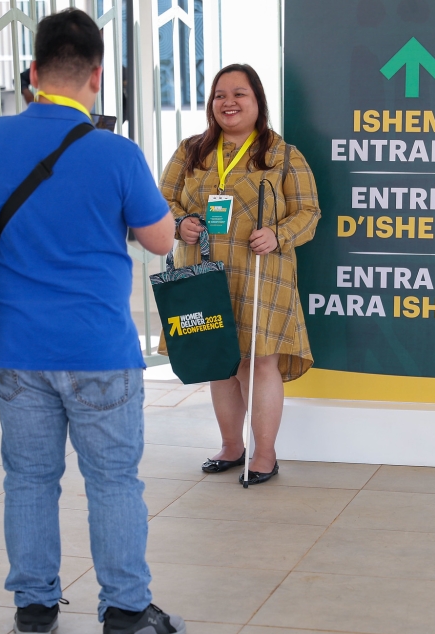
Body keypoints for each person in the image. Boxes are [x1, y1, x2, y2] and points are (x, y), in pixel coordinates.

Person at [0, 8, 184, 634]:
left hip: (15, 349)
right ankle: (125, 616)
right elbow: (161, 239)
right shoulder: (117, 152)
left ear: (32, 73)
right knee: (113, 480)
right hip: (97, 349)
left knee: (28, 480)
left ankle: (34, 612)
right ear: (97, 74)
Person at [159, 63, 321, 486]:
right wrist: (179, 224)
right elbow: (160, 202)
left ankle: (265, 454)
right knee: (218, 362)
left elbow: (309, 212)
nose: (228, 102)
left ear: (257, 101)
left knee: (258, 360)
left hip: (261, 273)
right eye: (219, 95)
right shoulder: (190, 151)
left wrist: (279, 234)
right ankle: (232, 447)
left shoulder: (283, 155)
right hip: (203, 272)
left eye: (239, 94)